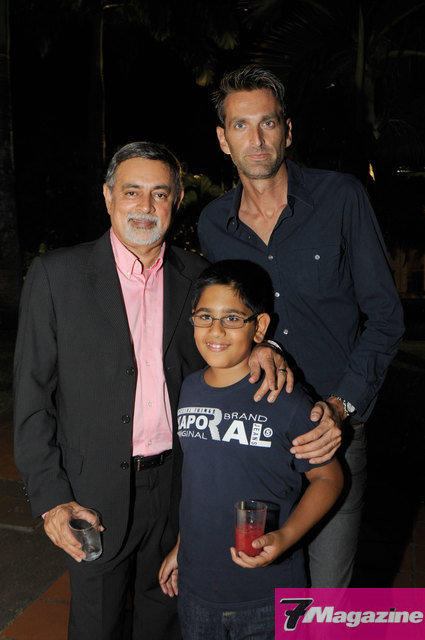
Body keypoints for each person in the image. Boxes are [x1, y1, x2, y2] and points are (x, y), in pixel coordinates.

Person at [13, 141, 286, 640]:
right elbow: (32, 399)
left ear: (176, 200)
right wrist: (53, 501)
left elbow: (229, 337)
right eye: (132, 191)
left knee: (164, 623)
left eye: (159, 193)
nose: (145, 206)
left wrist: (263, 348)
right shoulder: (56, 277)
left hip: (177, 490)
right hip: (92, 495)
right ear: (108, 196)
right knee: (95, 627)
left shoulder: (197, 277)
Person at [197, 66, 405, 587]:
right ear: (223, 139)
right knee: (262, 578)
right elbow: (227, 320)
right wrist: (256, 344)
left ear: (287, 131)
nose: (256, 139)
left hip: (331, 431)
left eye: (267, 123)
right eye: (240, 125)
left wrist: (340, 407)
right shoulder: (213, 224)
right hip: (256, 427)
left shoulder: (341, 198)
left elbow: (385, 317)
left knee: (327, 594)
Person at [159, 260, 343, 639]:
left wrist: (286, 537)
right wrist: (181, 547)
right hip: (197, 590)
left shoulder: (283, 397)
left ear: (259, 327)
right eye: (205, 317)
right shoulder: (188, 390)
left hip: (269, 594)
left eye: (232, 318)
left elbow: (328, 478)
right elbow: (200, 485)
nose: (216, 330)